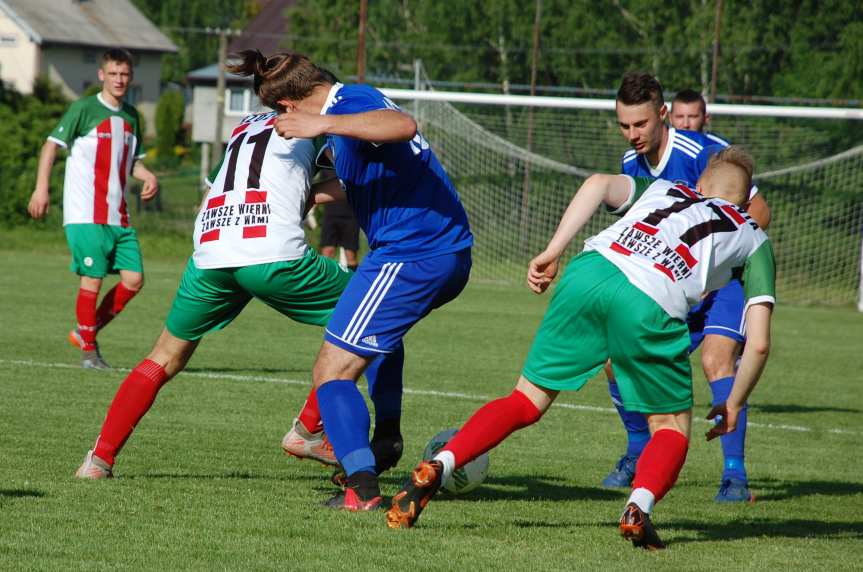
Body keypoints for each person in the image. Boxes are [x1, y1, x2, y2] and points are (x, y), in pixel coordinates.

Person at [386, 147, 776, 550]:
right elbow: (759, 344)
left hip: (590, 271)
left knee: (525, 400)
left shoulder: (665, 188)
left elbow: (597, 184)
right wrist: (733, 402)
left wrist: (553, 251)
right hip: (651, 299)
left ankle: (440, 464)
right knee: (671, 428)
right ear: (748, 201)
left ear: (698, 185)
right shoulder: (753, 236)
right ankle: (638, 507)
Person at [74, 51, 386, 479]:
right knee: (374, 314)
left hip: (211, 249)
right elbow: (352, 178)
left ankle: (98, 460)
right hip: (272, 251)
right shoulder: (313, 125)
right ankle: (308, 430)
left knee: (164, 357)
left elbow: (215, 190)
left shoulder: (244, 126)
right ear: (297, 98)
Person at [272, 52, 473, 511]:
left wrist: (321, 126)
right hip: (435, 252)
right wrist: (313, 195)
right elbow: (373, 175)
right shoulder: (350, 111)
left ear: (290, 105)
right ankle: (385, 441)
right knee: (375, 343)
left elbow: (403, 124)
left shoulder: (348, 103)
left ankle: (361, 490)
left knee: (331, 372)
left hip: (412, 253)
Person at [603, 73, 771, 503]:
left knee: (717, 361)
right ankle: (637, 450)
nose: (632, 134)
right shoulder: (630, 163)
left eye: (640, 124)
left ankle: (735, 476)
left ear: (663, 115)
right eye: (624, 125)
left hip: (723, 285)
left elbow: (759, 214)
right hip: (675, 286)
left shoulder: (703, 151)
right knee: (613, 359)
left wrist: (714, 262)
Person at [28, 48, 159, 369]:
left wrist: (148, 176)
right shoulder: (83, 109)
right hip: (85, 213)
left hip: (118, 216)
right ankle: (89, 353)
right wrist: (41, 188)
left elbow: (131, 163)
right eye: (113, 73)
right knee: (93, 279)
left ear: (131, 77)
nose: (119, 80)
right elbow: (50, 146)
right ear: (102, 75)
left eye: (124, 74)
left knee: (134, 280)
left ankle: (85, 331)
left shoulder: (132, 116)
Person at [320, 200, 361, 271]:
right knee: (327, 254)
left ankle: (352, 280)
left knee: (350, 255)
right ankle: (325, 281)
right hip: (330, 214)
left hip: (351, 214)